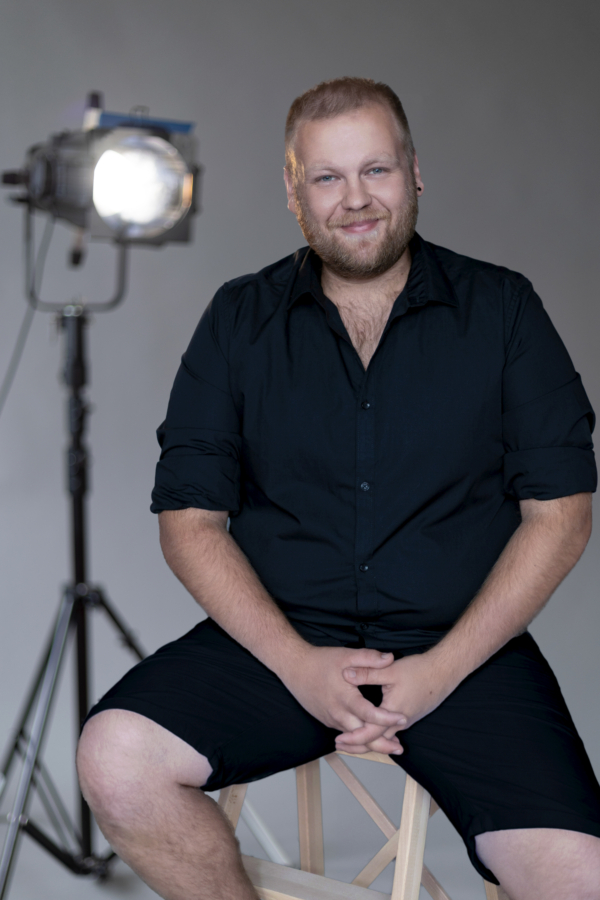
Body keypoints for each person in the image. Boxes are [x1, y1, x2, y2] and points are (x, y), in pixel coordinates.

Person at [76, 77, 600, 900]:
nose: (355, 199)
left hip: (463, 653)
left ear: (414, 173)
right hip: (281, 643)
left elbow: (561, 515)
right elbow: (190, 521)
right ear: (294, 194)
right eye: (327, 177)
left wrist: (439, 672)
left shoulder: (503, 309)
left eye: (375, 170)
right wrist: (297, 666)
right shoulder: (239, 318)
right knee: (115, 760)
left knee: (582, 881)